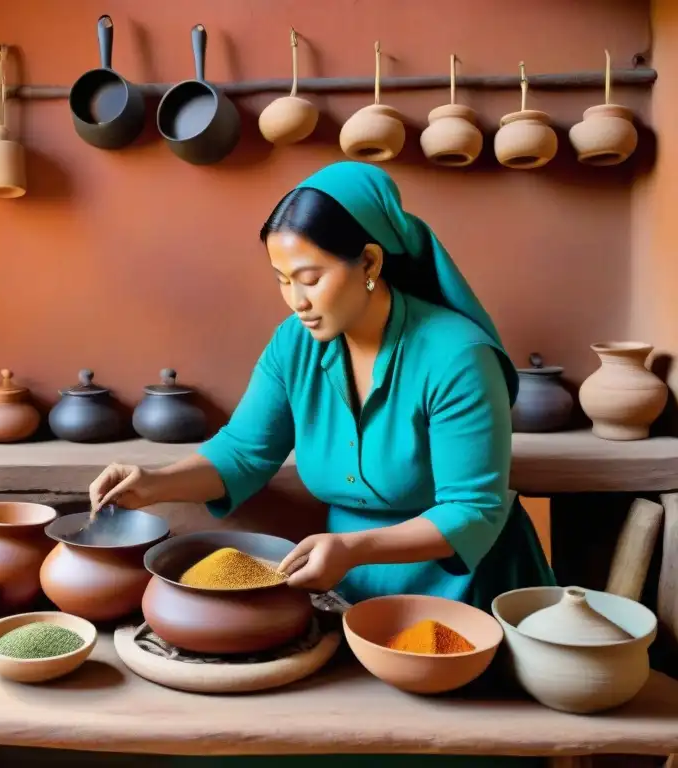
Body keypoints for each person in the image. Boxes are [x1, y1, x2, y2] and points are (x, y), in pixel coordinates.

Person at [89, 160, 554, 614]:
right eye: (283, 280)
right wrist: (155, 483)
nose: (297, 301)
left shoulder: (457, 357)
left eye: (310, 279)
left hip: (462, 590)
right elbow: (243, 451)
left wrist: (353, 547)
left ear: (370, 261)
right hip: (347, 586)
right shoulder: (296, 343)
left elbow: (472, 509)